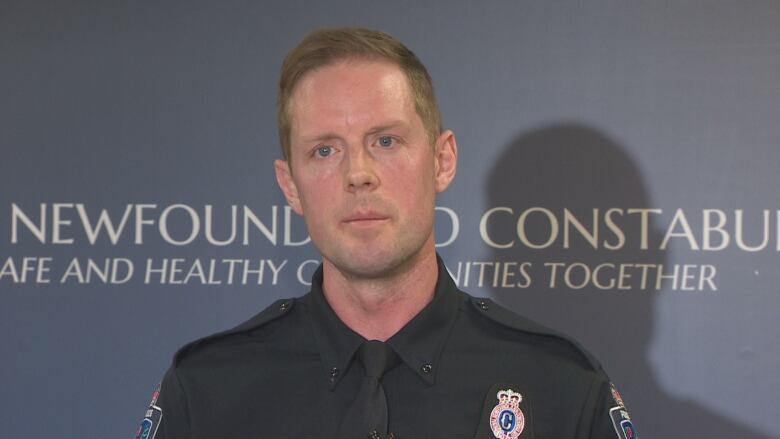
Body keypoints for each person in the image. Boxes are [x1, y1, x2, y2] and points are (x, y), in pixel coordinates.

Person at [136, 27, 638, 439]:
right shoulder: (207, 392)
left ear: (442, 161)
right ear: (290, 185)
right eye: (325, 151)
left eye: (386, 140)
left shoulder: (561, 386)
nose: (359, 173)